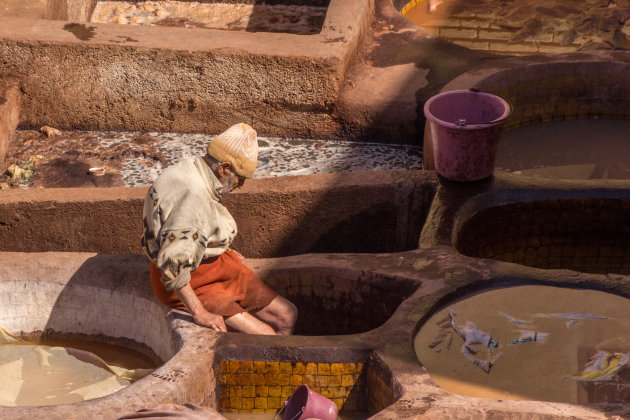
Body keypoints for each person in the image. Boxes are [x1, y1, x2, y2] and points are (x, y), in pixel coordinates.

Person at [141, 123, 297, 335]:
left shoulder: (194, 168)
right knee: (266, 337)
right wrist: (200, 313)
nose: (240, 185)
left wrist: (222, 249)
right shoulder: (192, 196)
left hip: (215, 265)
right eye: (240, 178)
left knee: (287, 315)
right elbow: (172, 266)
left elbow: (193, 229)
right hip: (194, 281)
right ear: (224, 168)